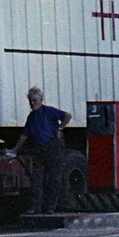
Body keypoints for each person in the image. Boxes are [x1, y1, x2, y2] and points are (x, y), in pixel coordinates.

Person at [17, 86, 71, 214]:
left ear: (41, 100)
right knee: (36, 179)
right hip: (40, 148)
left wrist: (60, 128)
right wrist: (15, 149)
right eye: (30, 101)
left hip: (53, 147)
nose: (32, 103)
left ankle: (51, 207)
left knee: (54, 178)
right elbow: (24, 135)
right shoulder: (31, 117)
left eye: (35, 100)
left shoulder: (49, 111)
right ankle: (36, 207)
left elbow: (67, 116)